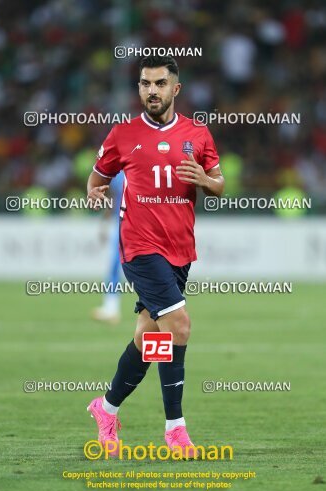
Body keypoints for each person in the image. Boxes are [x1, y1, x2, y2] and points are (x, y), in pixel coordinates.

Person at [86, 55, 224, 458]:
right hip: (140, 247)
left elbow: (219, 183)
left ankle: (105, 408)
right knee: (178, 326)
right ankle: (175, 430)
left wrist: (206, 181)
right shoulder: (123, 134)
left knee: (150, 338)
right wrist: (94, 193)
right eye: (145, 84)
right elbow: (97, 179)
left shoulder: (197, 135)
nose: (151, 90)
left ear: (174, 89)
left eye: (160, 83)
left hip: (180, 249)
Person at [91, 172, 124, 324]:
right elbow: (112, 199)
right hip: (120, 224)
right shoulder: (118, 173)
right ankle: (111, 307)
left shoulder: (140, 164)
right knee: (115, 265)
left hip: (137, 224)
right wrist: (105, 222)